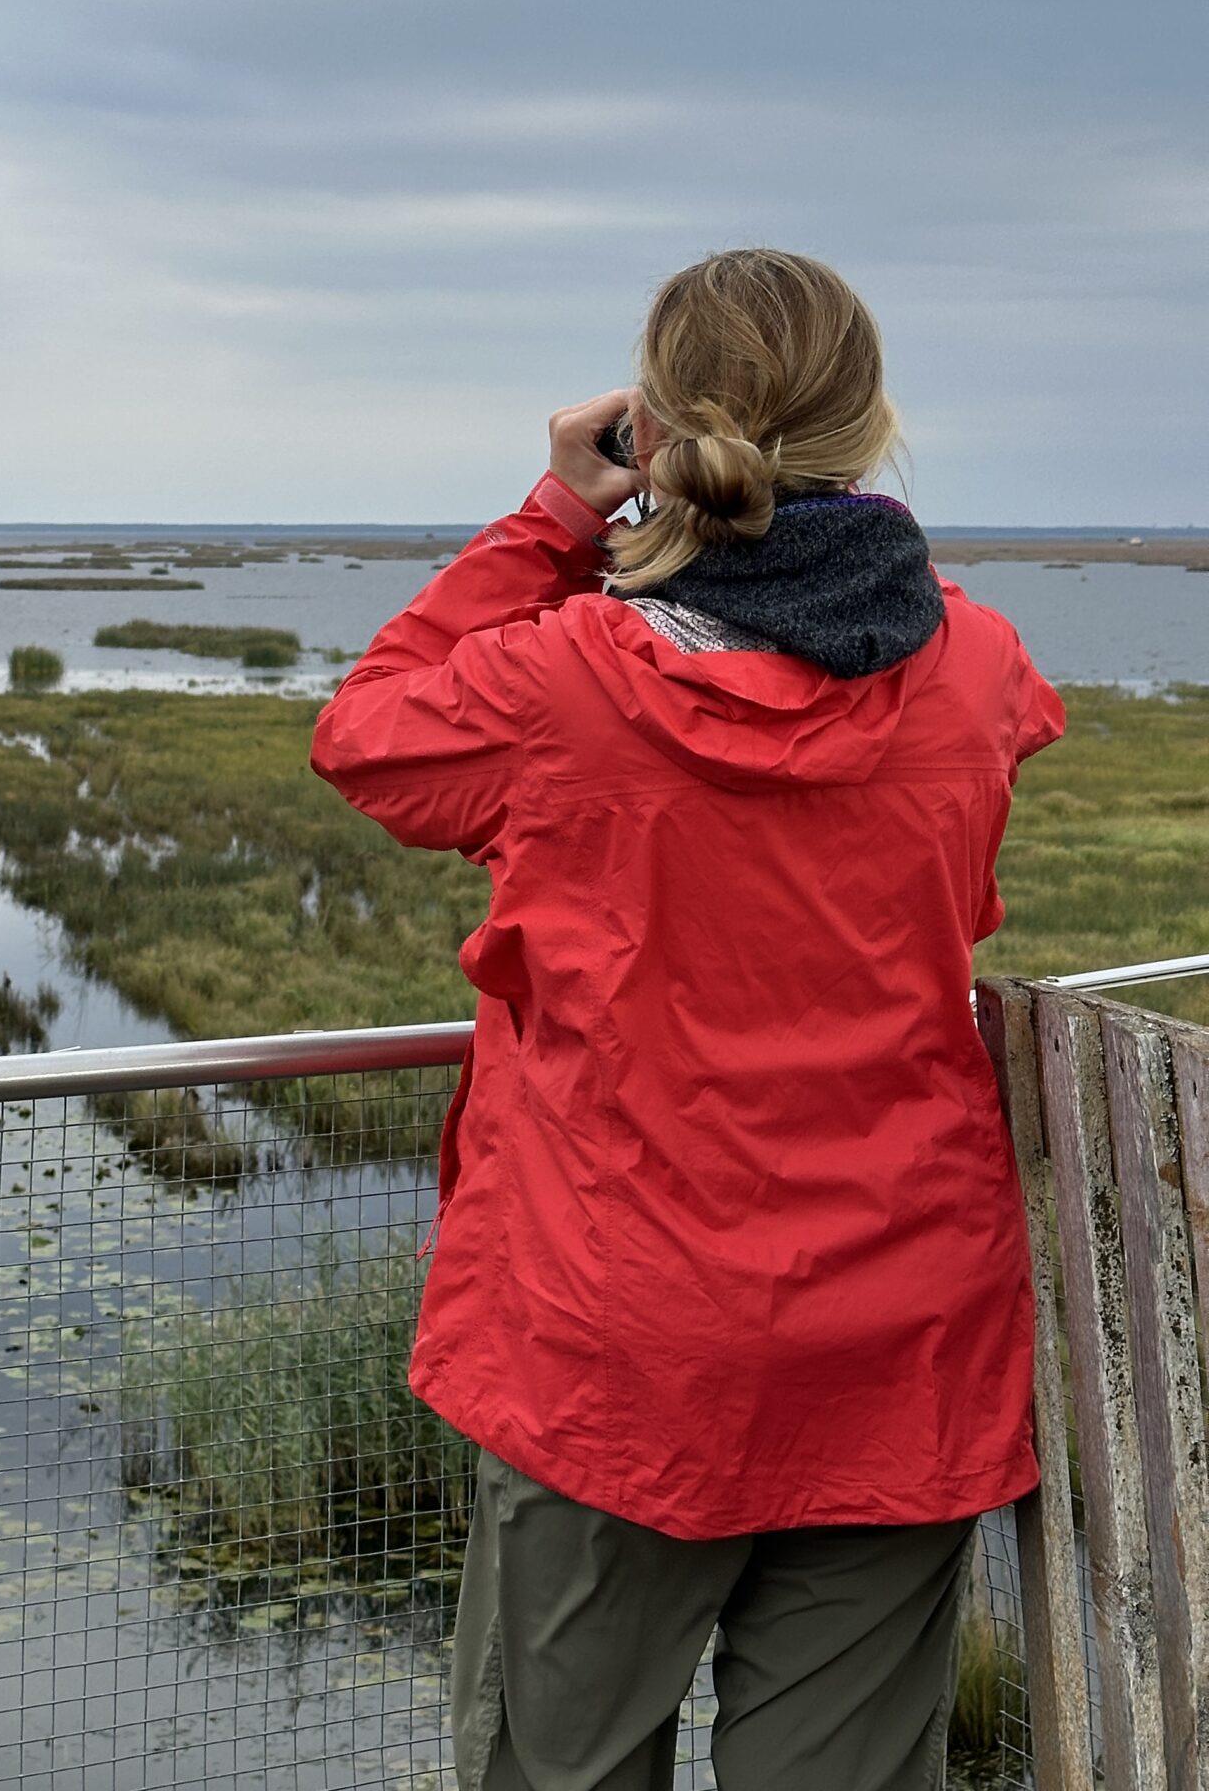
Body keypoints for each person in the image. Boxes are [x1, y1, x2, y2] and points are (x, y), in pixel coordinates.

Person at [309, 248, 1064, 1791]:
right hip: (901, 1337)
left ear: (651, 431)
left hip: (619, 1347)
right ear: (870, 429)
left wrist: (558, 518)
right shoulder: (978, 664)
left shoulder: (564, 683)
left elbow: (367, 734)